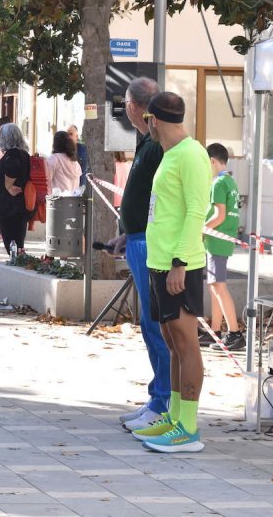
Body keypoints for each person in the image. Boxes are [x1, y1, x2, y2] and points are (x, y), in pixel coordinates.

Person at [134, 91, 210, 453]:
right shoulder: (170, 154)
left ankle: (189, 428)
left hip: (180, 264)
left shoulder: (192, 154)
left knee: (186, 342)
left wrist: (180, 262)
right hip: (159, 261)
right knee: (171, 343)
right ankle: (175, 417)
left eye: (146, 121)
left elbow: (198, 211)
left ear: (154, 120)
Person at [106, 78, 170, 434]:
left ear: (135, 107)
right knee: (149, 325)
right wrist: (126, 234)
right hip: (138, 239)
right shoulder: (147, 142)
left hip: (150, 243)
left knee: (156, 326)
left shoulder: (158, 145)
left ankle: (164, 402)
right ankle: (157, 398)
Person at [201, 143, 243, 351]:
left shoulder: (218, 183)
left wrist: (201, 229)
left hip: (218, 239)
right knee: (214, 285)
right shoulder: (230, 181)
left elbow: (220, 215)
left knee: (218, 285)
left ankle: (234, 333)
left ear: (212, 161)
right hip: (222, 238)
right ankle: (215, 332)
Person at [0, 123, 31, 254]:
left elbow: (12, 169)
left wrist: (8, 186)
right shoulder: (22, 154)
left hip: (9, 208)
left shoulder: (13, 154)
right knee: (17, 242)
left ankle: (17, 265)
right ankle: (18, 263)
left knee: (12, 242)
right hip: (16, 207)